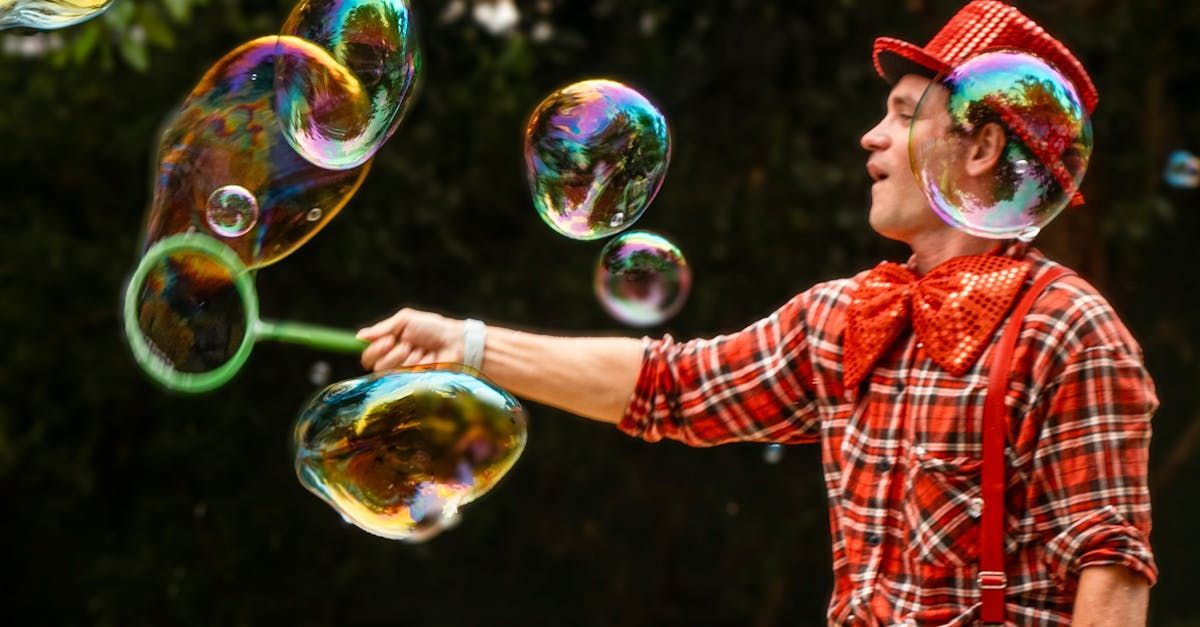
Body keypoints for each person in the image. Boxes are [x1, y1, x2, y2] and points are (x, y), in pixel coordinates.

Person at [357, 2, 1156, 624]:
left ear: (980, 149)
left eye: (904, 112)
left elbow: (1111, 566)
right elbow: (669, 386)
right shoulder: (842, 318)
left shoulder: (1067, 328)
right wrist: (465, 344)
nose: (870, 137)